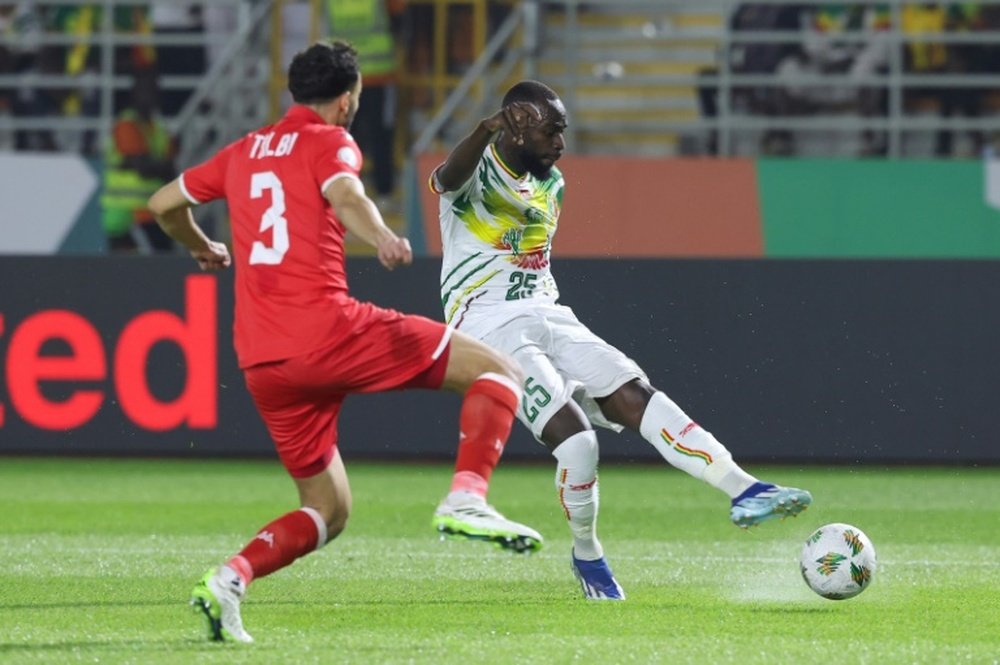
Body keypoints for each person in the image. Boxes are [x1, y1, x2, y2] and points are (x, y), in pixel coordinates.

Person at [146, 41, 540, 643]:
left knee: (329, 511)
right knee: (498, 371)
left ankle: (229, 580)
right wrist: (381, 234)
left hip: (262, 360)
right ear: (347, 98)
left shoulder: (242, 151)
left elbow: (163, 204)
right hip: (329, 329)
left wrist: (200, 246)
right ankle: (466, 497)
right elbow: (346, 194)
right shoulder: (330, 140)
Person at [428, 80, 813, 601]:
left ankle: (744, 488)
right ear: (516, 125)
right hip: (489, 327)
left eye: (563, 131)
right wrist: (485, 127)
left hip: (548, 311)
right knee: (579, 440)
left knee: (636, 393)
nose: (561, 143)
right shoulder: (474, 172)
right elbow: (445, 180)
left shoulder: (553, 184)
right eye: (551, 130)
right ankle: (587, 554)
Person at [103, 66, 176, 253]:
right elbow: (143, 167)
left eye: (154, 88)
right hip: (126, 219)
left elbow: (172, 171)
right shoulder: (126, 125)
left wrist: (158, 167)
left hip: (153, 216)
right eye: (146, 88)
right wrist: (160, 167)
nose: (151, 94)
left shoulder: (158, 128)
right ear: (134, 91)